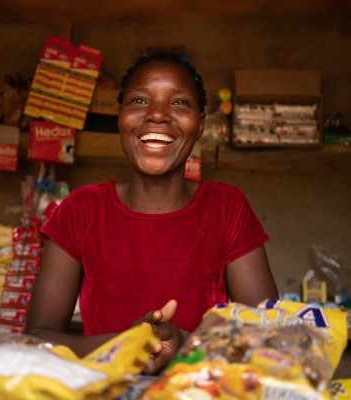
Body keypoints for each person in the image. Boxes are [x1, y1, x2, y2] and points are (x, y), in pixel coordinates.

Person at [24, 52, 279, 375]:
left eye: (180, 103)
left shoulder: (226, 207)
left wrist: (184, 343)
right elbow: (36, 339)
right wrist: (126, 345)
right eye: (140, 101)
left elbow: (270, 341)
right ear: (121, 118)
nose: (157, 115)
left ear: (200, 124)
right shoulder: (81, 209)